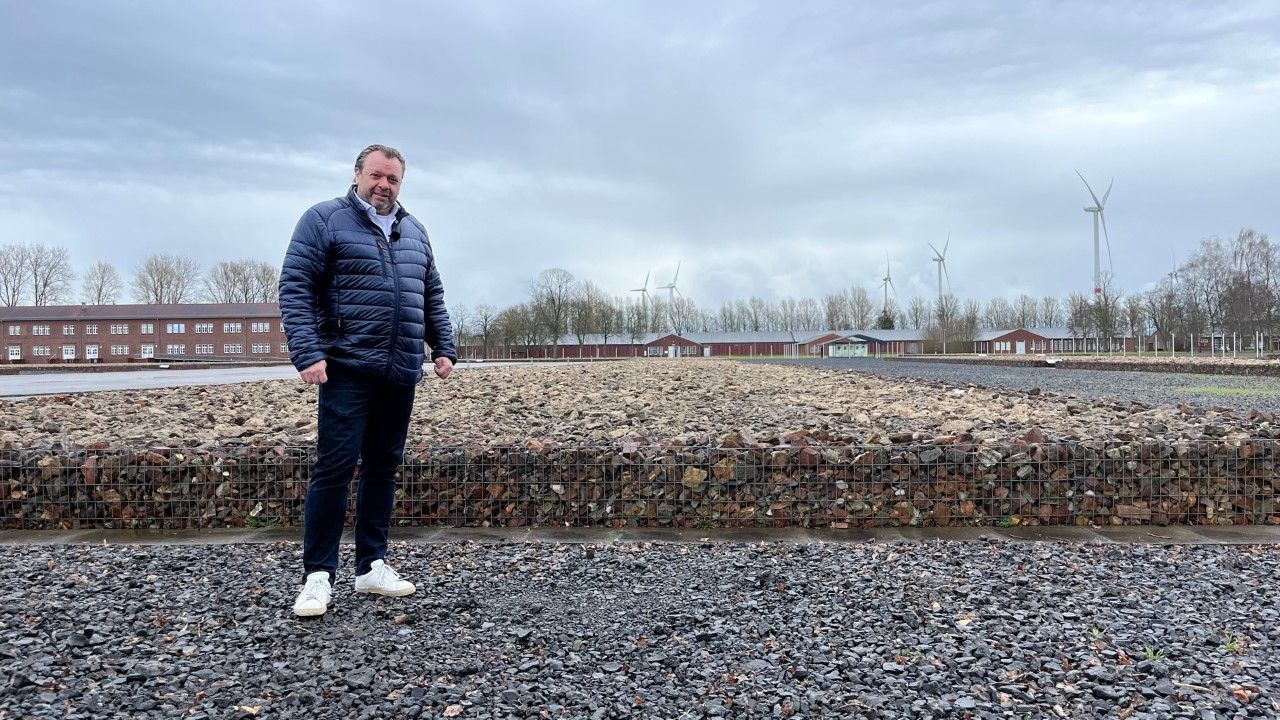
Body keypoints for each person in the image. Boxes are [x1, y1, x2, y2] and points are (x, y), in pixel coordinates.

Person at [278, 144, 456, 617]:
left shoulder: (414, 231)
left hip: (400, 371)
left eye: (393, 179)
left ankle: (372, 564)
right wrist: (307, 352)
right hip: (346, 367)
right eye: (377, 175)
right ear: (357, 174)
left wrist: (444, 347)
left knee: (383, 467)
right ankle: (318, 575)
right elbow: (295, 287)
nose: (384, 185)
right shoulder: (323, 220)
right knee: (334, 469)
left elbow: (430, 293)